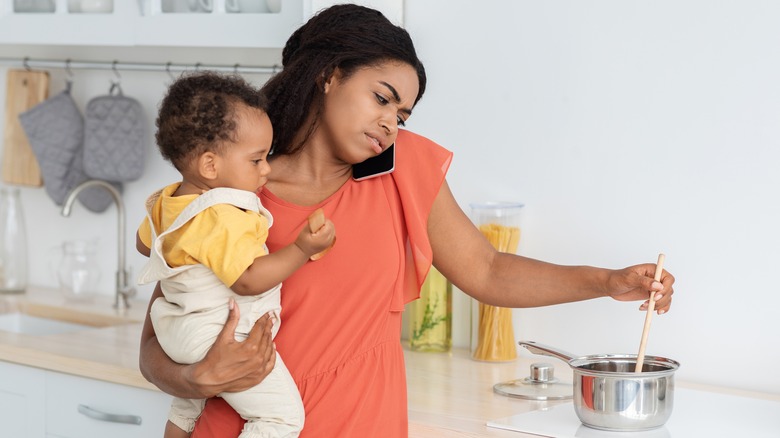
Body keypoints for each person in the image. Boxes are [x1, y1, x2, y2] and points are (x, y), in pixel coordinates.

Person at [138, 5, 676, 438]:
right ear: (329, 76)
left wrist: (607, 283)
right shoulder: (232, 187)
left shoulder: (404, 170)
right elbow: (166, 325)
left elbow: (487, 271)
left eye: (402, 114)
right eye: (381, 98)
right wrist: (191, 377)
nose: (390, 123)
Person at [135, 71, 335, 438]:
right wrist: (303, 248)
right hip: (213, 334)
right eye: (256, 160)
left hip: (176, 331)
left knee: (187, 403)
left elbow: (145, 244)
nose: (267, 169)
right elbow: (247, 280)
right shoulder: (222, 214)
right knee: (282, 419)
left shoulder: (168, 200)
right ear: (210, 166)